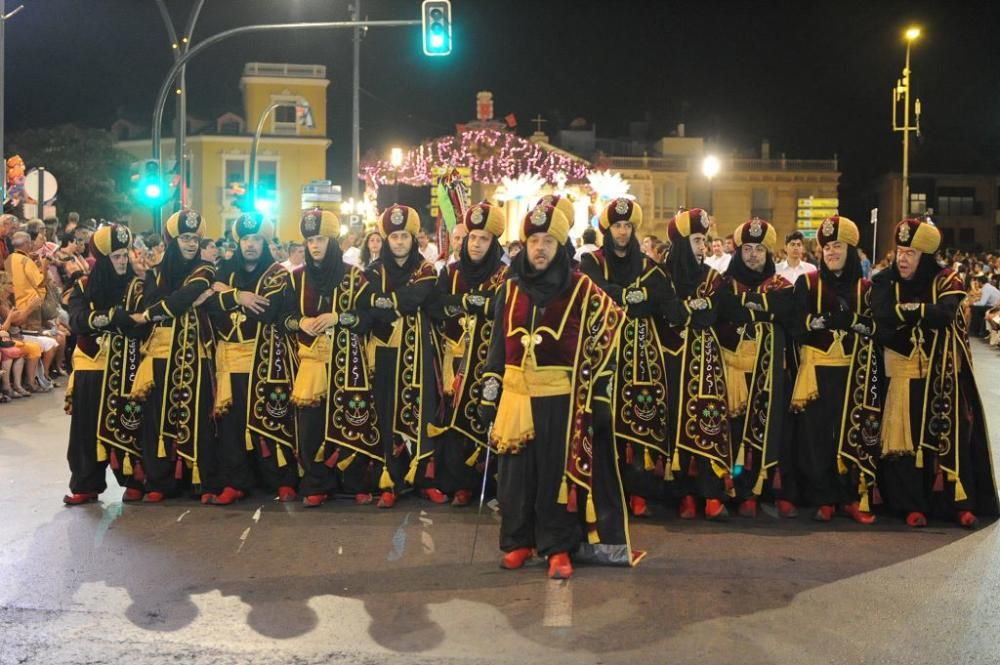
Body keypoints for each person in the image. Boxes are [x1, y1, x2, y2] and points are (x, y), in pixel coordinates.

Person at [479, 203, 638, 579]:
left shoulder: (582, 288)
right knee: (514, 478)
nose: (539, 248)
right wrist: (489, 389)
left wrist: (599, 393)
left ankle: (557, 548)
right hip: (515, 396)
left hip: (562, 400)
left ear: (561, 243)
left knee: (555, 478)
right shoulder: (510, 289)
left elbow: (611, 332)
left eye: (548, 240)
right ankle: (517, 542)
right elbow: (498, 347)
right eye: (533, 240)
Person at [872, 218, 999, 528]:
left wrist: (905, 312)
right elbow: (880, 314)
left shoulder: (947, 279)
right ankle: (909, 505)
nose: (903, 259)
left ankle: (958, 504)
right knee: (903, 443)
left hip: (942, 376)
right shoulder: (884, 280)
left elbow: (944, 314)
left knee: (949, 440)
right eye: (900, 251)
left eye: (910, 253)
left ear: (924, 256)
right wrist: (919, 312)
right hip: (901, 375)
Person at [579, 198, 671, 518]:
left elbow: (661, 298)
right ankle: (607, 490)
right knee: (604, 419)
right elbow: (596, 291)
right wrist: (632, 295)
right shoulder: (593, 260)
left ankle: (639, 491)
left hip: (642, 353)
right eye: (617, 226)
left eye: (627, 226)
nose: (622, 231)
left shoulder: (647, 265)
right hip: (604, 352)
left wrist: (631, 297)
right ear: (608, 229)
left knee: (640, 418)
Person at [284, 209, 381, 507]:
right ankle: (315, 483)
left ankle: (353, 483)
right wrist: (299, 323)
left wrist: (339, 317)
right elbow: (281, 317)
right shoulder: (296, 278)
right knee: (311, 425)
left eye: (321, 239)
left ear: (333, 241)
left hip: (349, 361)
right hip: (312, 362)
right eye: (310, 240)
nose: (314, 246)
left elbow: (371, 316)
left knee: (353, 419)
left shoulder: (355, 276)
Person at [790, 216, 881, 523]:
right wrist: (817, 323)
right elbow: (794, 324)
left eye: (838, 246)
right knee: (816, 436)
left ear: (851, 250)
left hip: (855, 372)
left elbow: (878, 328)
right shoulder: (807, 282)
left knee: (853, 433)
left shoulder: (867, 287)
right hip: (817, 371)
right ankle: (823, 498)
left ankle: (851, 497)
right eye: (827, 247)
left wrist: (855, 323)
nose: (831, 252)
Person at [203, 213, 296, 505]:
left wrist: (226, 296)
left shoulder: (278, 273)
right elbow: (208, 305)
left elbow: (268, 311)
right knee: (230, 425)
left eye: (256, 239)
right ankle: (235, 481)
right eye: (245, 239)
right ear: (238, 242)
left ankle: (280, 480)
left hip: (266, 358)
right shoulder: (225, 270)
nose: (251, 245)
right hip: (229, 360)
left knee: (271, 417)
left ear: (265, 241)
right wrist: (238, 297)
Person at [130, 209, 218, 502]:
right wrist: (187, 300)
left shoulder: (205, 271)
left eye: (195, 238)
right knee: (157, 416)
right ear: (173, 240)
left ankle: (201, 481)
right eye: (185, 238)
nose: (191, 243)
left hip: (196, 351)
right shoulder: (155, 272)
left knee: (198, 417)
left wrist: (148, 315)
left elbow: (179, 299)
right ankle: (159, 482)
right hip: (162, 351)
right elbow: (169, 300)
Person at [426, 201, 508, 506]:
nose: (475, 244)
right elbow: (436, 304)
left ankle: (481, 484)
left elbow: (501, 310)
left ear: (493, 242)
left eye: (483, 239)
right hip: (454, 360)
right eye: (472, 237)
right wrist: (471, 302)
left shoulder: (504, 276)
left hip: (486, 362)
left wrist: (468, 303)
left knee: (481, 419)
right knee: (450, 421)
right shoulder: (452, 271)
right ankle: (455, 483)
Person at [716, 217, 797, 518]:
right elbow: (724, 311)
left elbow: (785, 310)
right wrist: (763, 309)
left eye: (759, 250)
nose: (752, 255)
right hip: (732, 372)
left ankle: (762, 489)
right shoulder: (723, 284)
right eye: (747, 249)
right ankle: (737, 491)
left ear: (768, 254)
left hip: (770, 375)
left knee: (770, 431)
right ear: (738, 252)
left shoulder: (781, 285)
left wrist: (746, 306)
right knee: (733, 433)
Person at [63, 224, 147, 504]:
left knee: (130, 422)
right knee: (85, 429)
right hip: (92, 364)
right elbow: (75, 320)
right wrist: (111, 317)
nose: (123, 261)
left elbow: (142, 322)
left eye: (125, 255)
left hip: (128, 364)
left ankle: (134, 481)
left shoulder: (138, 286)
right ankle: (86, 484)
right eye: (117, 257)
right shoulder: (83, 286)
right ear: (102, 259)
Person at [658, 209, 732, 520]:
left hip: (704, 362)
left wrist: (684, 311)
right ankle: (685, 495)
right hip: (671, 361)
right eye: (697, 240)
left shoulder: (714, 277)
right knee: (674, 424)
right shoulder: (661, 276)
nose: (702, 246)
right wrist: (688, 311)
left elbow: (711, 315)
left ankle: (711, 493)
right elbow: (665, 314)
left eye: (704, 239)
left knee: (708, 422)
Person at [366, 205, 440, 508]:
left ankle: (423, 479)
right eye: (393, 236)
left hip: (418, 352)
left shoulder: (426, 270)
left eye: (404, 236)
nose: (398, 242)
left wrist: (387, 304)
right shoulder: (372, 271)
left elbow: (416, 298)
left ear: (414, 238)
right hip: (383, 352)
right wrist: (394, 305)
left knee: (421, 412)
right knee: (385, 413)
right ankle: (389, 480)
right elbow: (368, 305)